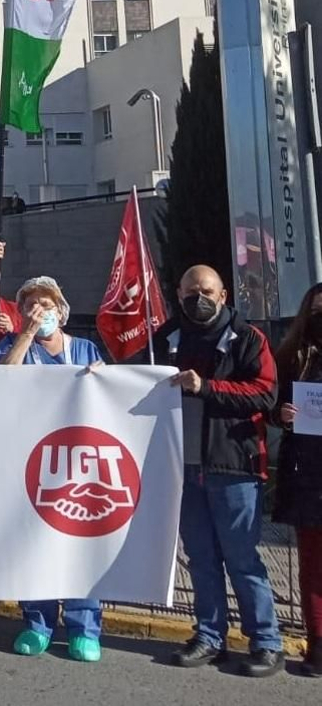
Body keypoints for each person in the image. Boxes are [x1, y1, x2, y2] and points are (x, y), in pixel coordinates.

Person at [148, 266, 284, 677]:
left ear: (223, 295)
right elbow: (134, 378)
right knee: (202, 559)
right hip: (183, 468)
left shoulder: (247, 338)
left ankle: (266, 643)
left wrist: (205, 387)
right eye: (190, 291)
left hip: (234, 466)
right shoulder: (166, 338)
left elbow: (265, 393)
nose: (198, 298)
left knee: (242, 559)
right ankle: (210, 636)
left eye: (206, 291)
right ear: (178, 292)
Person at [0, 276, 105, 662]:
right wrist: (23, 336)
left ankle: (84, 626)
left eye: (48, 304)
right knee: (32, 542)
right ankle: (37, 623)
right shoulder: (12, 346)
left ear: (61, 310)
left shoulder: (85, 347)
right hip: (30, 460)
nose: (41, 311)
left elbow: (110, 394)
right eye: (31, 306)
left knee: (79, 543)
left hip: (77, 463)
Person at [275, 281, 322, 678]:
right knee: (312, 565)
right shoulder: (292, 356)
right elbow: (271, 405)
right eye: (318, 309)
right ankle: (318, 644)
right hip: (307, 473)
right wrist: (283, 415)